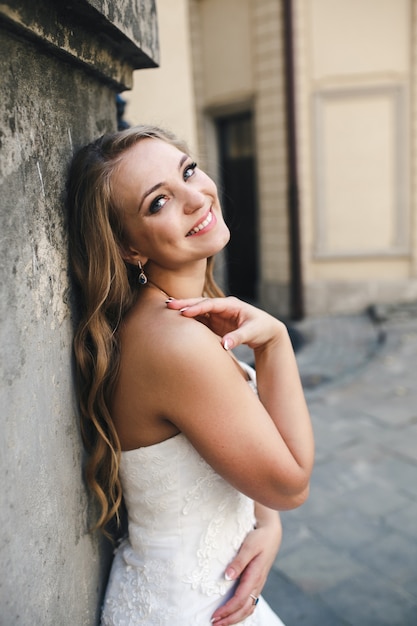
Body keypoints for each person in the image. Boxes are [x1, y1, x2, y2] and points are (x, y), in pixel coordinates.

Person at [67, 125, 314, 626]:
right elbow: (290, 486)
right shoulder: (174, 342)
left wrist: (265, 526)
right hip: (189, 609)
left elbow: (244, 449)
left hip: (209, 592)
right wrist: (275, 344)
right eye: (157, 202)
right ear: (131, 248)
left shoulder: (170, 317)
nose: (195, 197)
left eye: (188, 170)